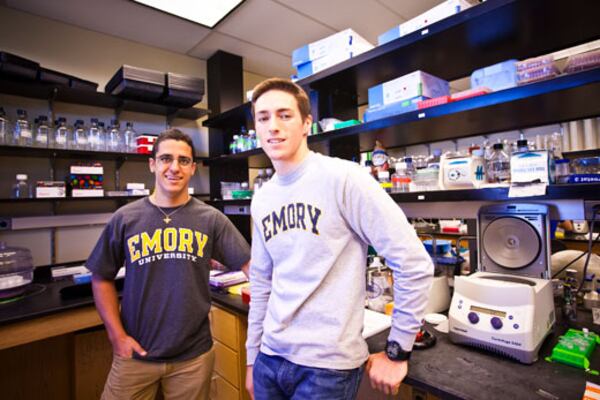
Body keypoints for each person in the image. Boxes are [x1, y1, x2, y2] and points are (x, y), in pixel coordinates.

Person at [245, 78, 434, 399]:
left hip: (326, 369)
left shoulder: (345, 178)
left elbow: (413, 263)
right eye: (263, 118)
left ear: (306, 124)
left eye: (284, 115)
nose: (273, 126)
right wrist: (252, 359)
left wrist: (397, 351)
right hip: (270, 359)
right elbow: (262, 281)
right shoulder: (262, 197)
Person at [87, 128, 250, 400]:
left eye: (183, 161)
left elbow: (251, 267)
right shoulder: (126, 218)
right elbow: (101, 276)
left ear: (192, 168)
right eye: (165, 159)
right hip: (136, 355)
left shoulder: (211, 219)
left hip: (193, 359)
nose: (174, 167)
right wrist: (116, 336)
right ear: (152, 164)